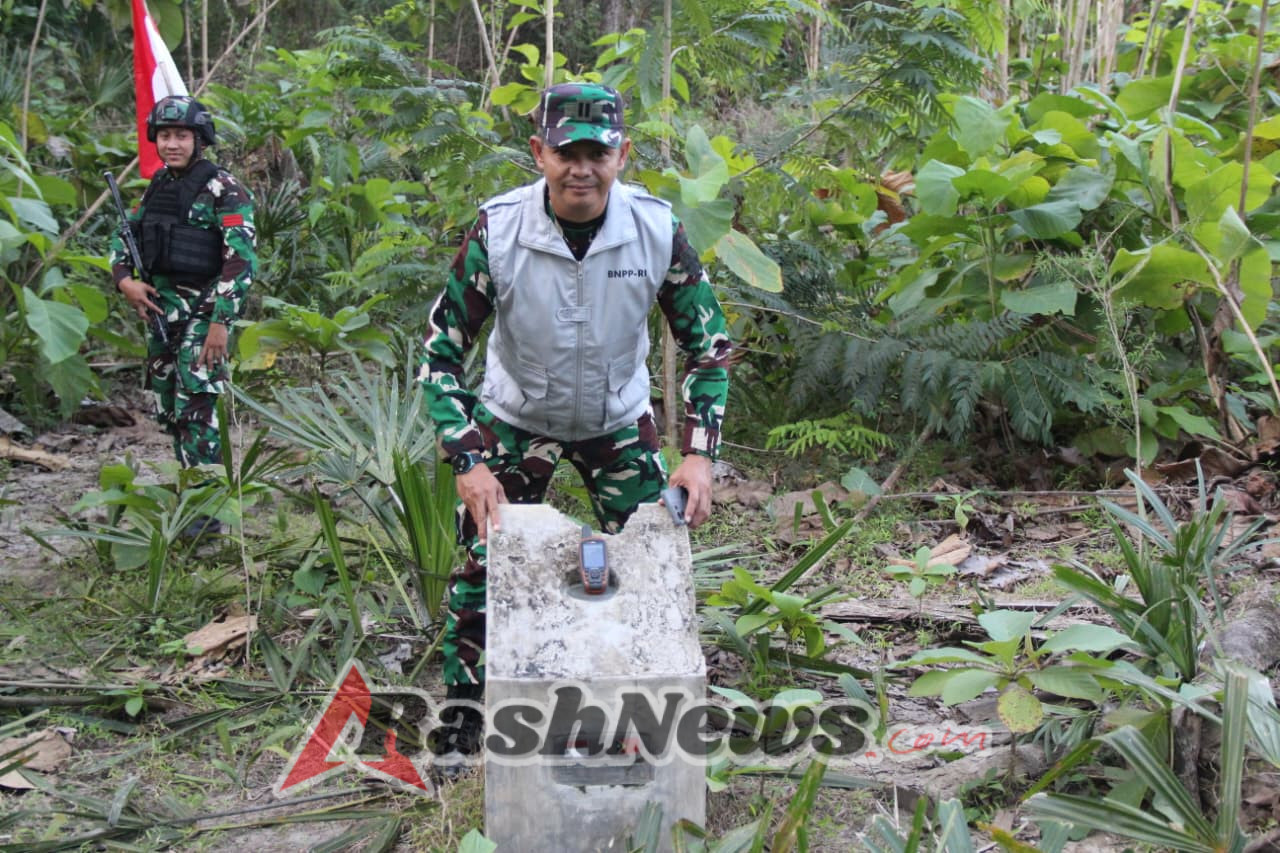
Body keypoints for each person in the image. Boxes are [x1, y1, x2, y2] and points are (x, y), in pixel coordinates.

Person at [419, 82, 733, 750]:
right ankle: (465, 716)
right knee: (484, 565)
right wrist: (468, 459)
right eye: (567, 153)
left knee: (652, 559)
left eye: (598, 153)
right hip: (516, 416)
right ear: (540, 152)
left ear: (623, 154)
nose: (581, 169)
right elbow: (440, 353)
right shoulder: (500, 231)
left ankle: (648, 703)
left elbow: (708, 346)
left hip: (616, 419)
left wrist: (699, 452)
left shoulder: (654, 230)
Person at [109, 95, 256, 537]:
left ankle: (207, 516)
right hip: (162, 311)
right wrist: (125, 281)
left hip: (206, 311)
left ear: (199, 139)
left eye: (181, 136)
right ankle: (189, 499)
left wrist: (220, 323)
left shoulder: (224, 188)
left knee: (196, 408)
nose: (172, 144)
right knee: (170, 410)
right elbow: (126, 237)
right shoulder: (157, 186)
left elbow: (240, 261)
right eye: (165, 136)